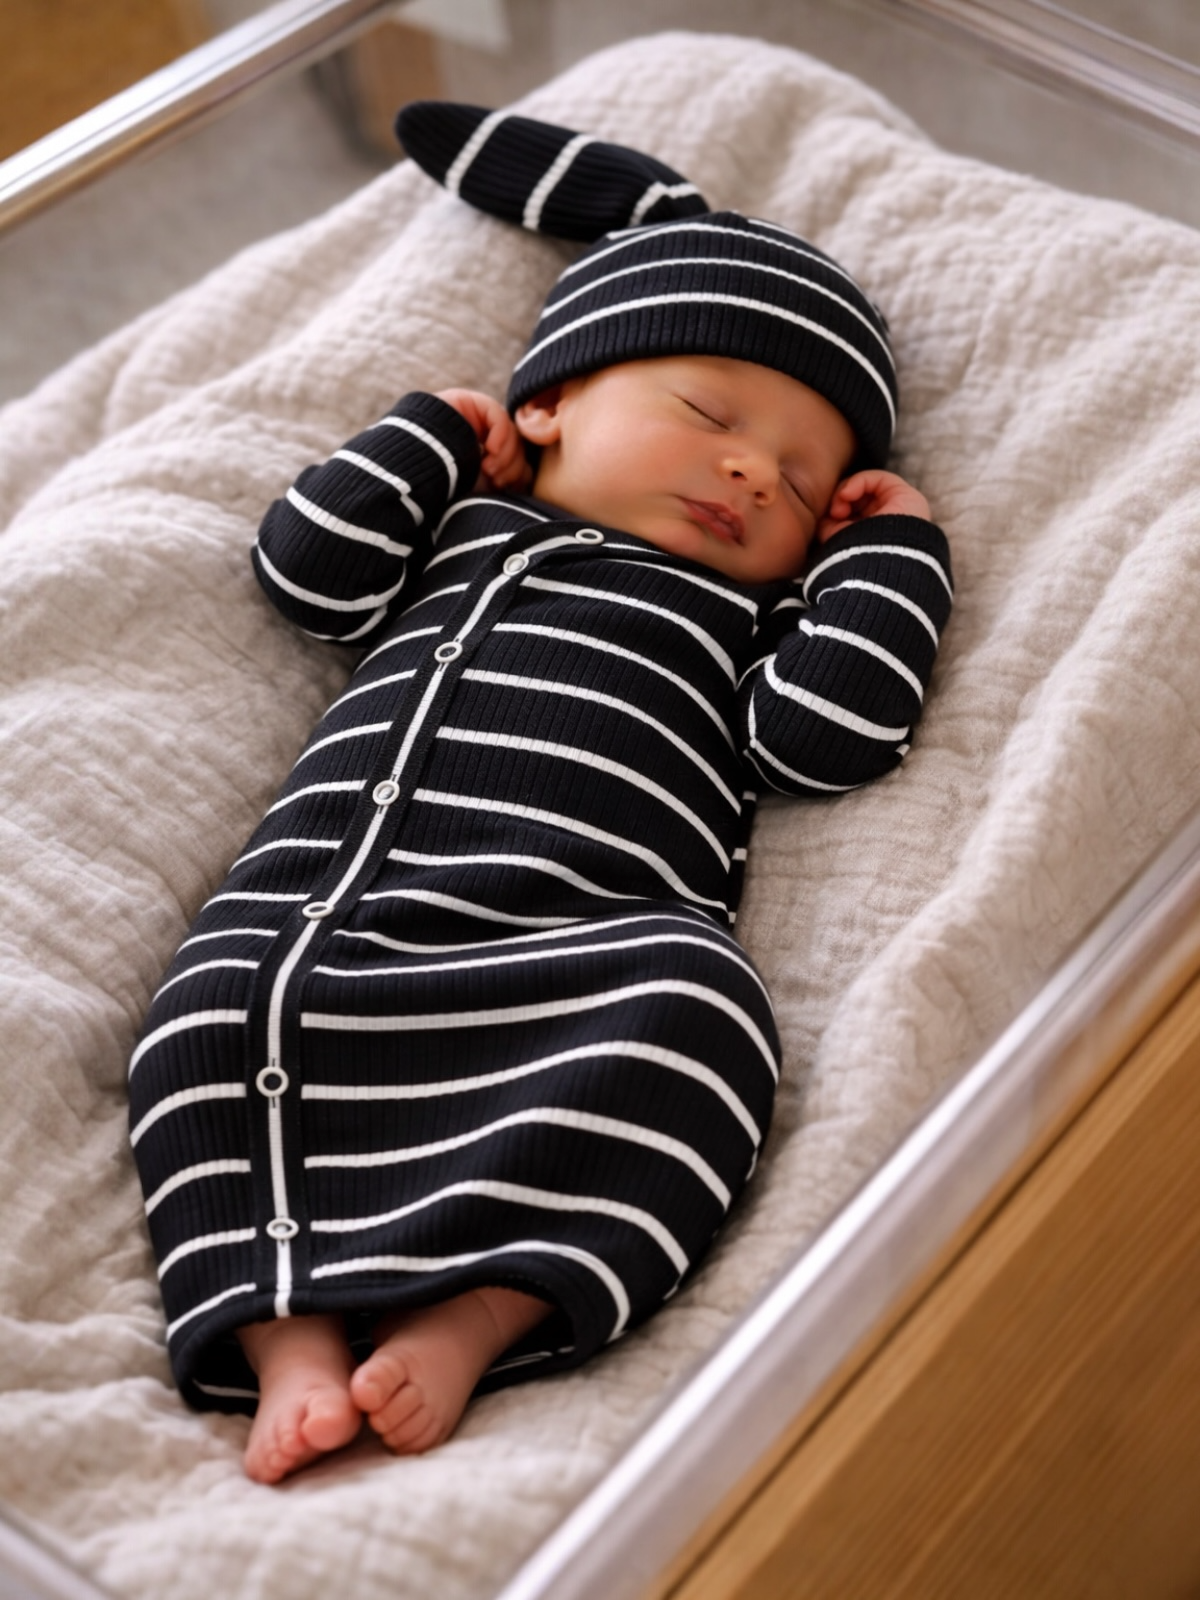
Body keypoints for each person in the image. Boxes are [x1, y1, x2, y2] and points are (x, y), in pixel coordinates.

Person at [128, 102, 953, 1484]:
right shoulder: (465, 524)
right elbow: (307, 572)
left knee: (705, 1020)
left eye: (805, 478)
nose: (752, 468)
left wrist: (889, 561)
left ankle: (478, 1314)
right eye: (710, 414)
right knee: (210, 1014)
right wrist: (431, 438)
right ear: (551, 403)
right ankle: (285, 1341)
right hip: (337, 915)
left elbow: (834, 739)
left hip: (584, 954)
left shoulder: (743, 623)